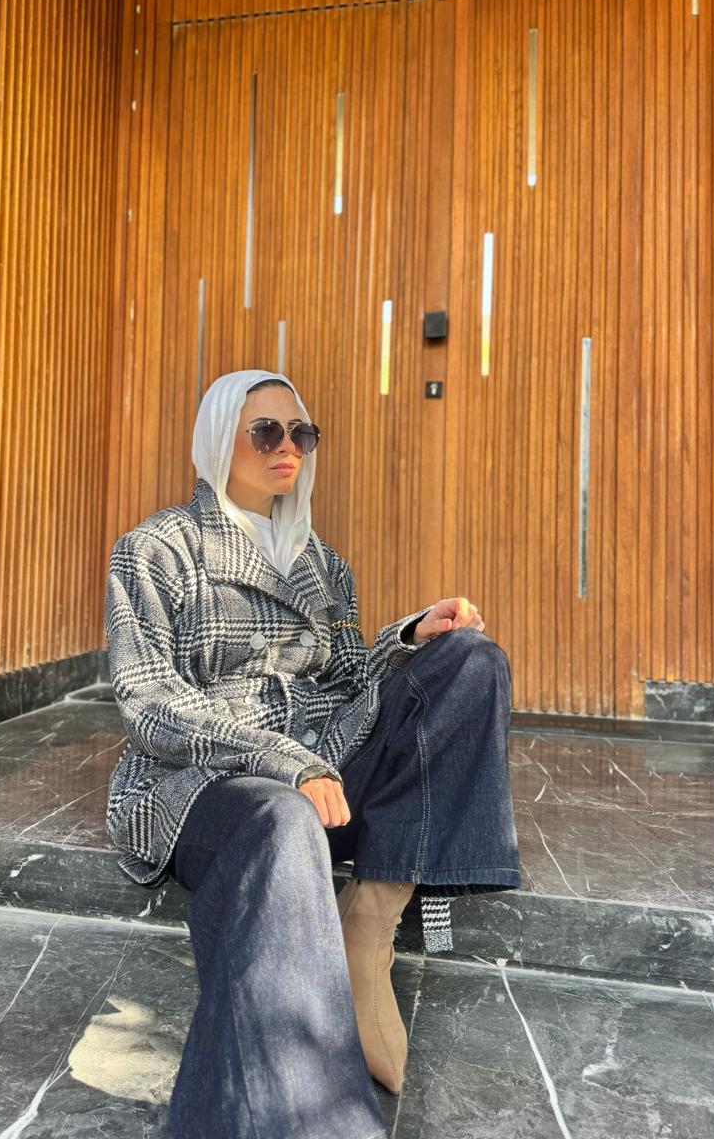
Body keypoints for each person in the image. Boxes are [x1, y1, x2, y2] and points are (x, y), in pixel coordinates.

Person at [103, 368, 520, 1139]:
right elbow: (149, 701)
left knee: (472, 661)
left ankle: (370, 923)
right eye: (266, 431)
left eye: (302, 432)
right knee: (283, 822)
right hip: (209, 779)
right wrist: (281, 761)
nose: (287, 446)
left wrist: (408, 636)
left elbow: (350, 679)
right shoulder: (156, 549)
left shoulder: (321, 561)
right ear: (218, 439)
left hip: (324, 760)